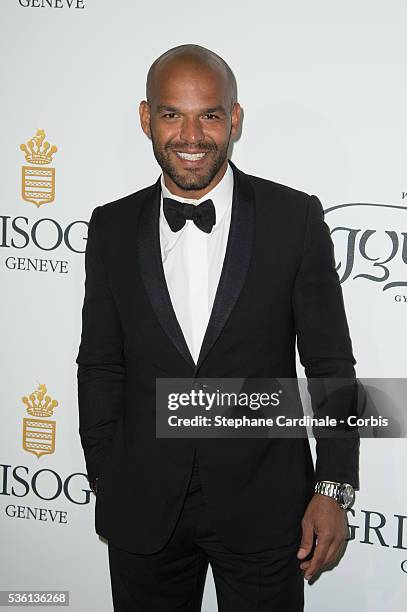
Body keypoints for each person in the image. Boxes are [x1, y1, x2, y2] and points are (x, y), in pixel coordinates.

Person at [76, 43, 360, 611]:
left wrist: (333, 489)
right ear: (145, 118)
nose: (190, 135)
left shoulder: (295, 219)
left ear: (234, 119)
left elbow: (330, 365)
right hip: (144, 506)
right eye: (171, 114)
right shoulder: (111, 226)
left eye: (208, 114)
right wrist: (110, 475)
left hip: (266, 504)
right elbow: (101, 364)